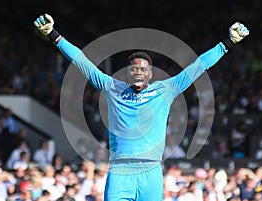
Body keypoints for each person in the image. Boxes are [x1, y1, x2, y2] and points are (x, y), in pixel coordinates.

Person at [34, 13, 249, 201]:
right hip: (120, 171)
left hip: (151, 172)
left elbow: (198, 66)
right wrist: (54, 35)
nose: (138, 72)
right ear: (127, 72)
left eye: (143, 69)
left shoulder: (166, 89)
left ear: (150, 74)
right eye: (134, 69)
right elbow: (82, 62)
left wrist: (227, 43)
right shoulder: (111, 87)